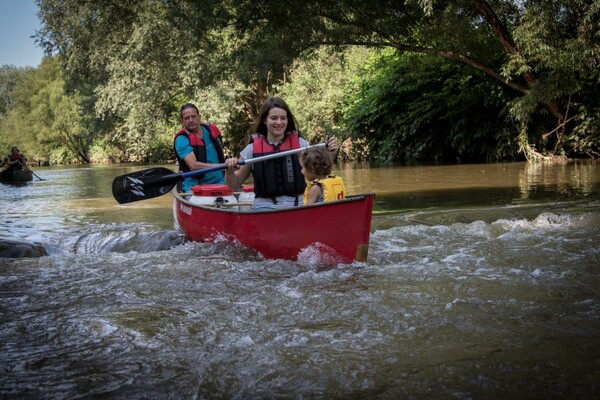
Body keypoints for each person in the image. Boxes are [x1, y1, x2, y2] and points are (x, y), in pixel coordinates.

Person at [224, 96, 339, 210]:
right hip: (264, 208)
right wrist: (229, 171)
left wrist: (331, 152)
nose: (279, 122)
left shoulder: (301, 145)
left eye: (283, 118)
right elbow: (234, 184)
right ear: (265, 120)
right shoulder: (251, 149)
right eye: (274, 118)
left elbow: (321, 169)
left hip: (298, 205)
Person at [173, 103, 226, 192]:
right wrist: (223, 166)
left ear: (199, 117)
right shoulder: (181, 139)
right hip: (194, 186)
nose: (190, 120)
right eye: (186, 118)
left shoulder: (211, 130)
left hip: (220, 182)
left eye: (193, 116)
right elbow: (193, 166)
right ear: (182, 121)